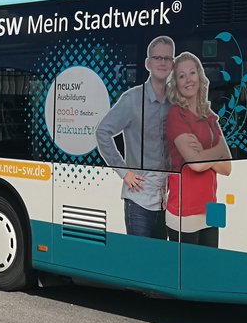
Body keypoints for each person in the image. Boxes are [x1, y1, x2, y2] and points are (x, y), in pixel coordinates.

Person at [95, 35, 175, 239]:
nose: (162, 62)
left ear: (172, 64)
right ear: (148, 63)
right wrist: (124, 172)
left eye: (167, 58)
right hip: (138, 201)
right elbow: (102, 132)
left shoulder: (175, 102)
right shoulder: (132, 99)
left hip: (166, 201)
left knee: (160, 261)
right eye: (157, 58)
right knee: (140, 262)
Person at [164, 51, 231, 247]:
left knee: (211, 270)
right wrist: (214, 152)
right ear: (175, 83)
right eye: (181, 76)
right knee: (189, 274)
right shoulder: (176, 115)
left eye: (192, 73)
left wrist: (202, 154)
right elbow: (195, 165)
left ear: (200, 77)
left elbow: (228, 167)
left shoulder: (208, 115)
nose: (188, 80)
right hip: (184, 211)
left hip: (210, 207)